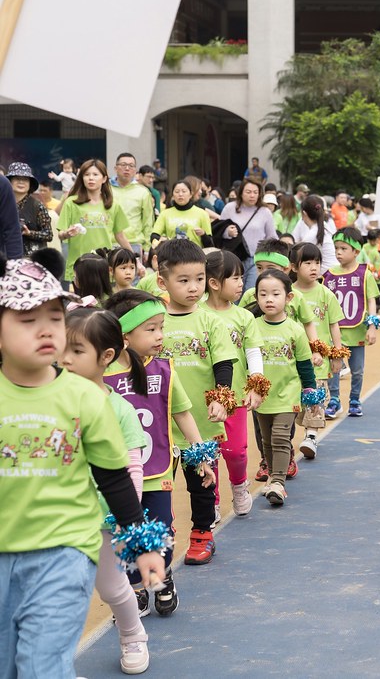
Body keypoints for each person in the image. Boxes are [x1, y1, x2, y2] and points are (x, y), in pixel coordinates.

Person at [0, 254, 165, 679]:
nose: (45, 330)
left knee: (41, 665)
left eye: (54, 318)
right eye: (25, 319)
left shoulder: (86, 397)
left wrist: (141, 542)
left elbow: (113, 474)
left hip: (64, 551)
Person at [104, 288, 211, 618]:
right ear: (124, 335)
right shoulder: (101, 375)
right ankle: (136, 586)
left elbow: (182, 413)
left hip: (159, 467)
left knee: (161, 527)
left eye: (161, 327)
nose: (160, 335)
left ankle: (162, 578)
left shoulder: (164, 370)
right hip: (118, 473)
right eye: (150, 329)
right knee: (127, 531)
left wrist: (200, 454)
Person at [62, 307, 152, 674]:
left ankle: (133, 635)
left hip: (102, 518)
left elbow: (131, 467)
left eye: (76, 351)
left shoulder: (118, 409)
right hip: (58, 516)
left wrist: (124, 520)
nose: (64, 358)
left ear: (106, 357)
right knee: (59, 594)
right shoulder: (49, 398)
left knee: (113, 589)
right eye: (60, 348)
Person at [153, 238, 235, 565]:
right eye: (183, 280)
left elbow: (224, 363)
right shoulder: (154, 317)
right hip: (158, 426)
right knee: (157, 489)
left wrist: (220, 398)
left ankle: (203, 534)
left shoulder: (211, 321)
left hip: (199, 421)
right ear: (162, 282)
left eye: (199, 279)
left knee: (201, 483)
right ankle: (161, 536)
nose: (194, 287)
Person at [201, 250, 265, 523]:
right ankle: (211, 501)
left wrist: (256, 385)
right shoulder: (198, 314)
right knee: (209, 451)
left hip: (235, 396)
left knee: (236, 450)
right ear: (214, 283)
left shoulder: (244, 317)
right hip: (202, 398)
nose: (242, 283)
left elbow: (253, 353)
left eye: (242, 278)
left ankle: (239, 485)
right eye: (236, 278)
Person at [251, 268, 318, 505]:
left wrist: (310, 392)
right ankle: (273, 475)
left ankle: (278, 482)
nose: (269, 299)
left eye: (275, 294)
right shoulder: (252, 326)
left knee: (280, 437)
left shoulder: (295, 329)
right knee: (266, 440)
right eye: (263, 294)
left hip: (288, 394)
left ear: (288, 298)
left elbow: (304, 364)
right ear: (256, 297)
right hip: (261, 397)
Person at [289, 242, 343, 455]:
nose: (314, 267)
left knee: (317, 394)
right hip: (292, 360)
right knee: (295, 396)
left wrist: (337, 354)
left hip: (319, 360)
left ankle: (311, 435)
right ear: (294, 267)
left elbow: (334, 324)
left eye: (317, 262)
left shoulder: (325, 294)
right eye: (308, 262)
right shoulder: (288, 294)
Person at [322, 227, 380, 419]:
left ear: (356, 251)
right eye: (336, 248)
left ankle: (355, 399)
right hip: (335, 330)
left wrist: (372, 326)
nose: (338, 252)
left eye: (343, 248)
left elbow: (371, 299)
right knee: (334, 367)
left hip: (356, 329)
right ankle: (334, 400)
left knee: (357, 370)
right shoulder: (329, 274)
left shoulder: (365, 274)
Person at [55, 159, 138, 284]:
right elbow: (60, 234)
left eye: (95, 175)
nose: (90, 178)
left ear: (104, 179)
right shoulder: (71, 203)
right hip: (79, 265)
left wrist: (134, 261)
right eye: (87, 175)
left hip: (104, 265)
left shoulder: (113, 205)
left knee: (104, 303)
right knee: (82, 303)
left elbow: (120, 236)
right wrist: (67, 233)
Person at [213, 177, 277, 291]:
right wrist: (228, 232)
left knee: (250, 291)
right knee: (233, 292)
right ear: (241, 193)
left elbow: (271, 236)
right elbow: (218, 230)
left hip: (256, 259)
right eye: (248, 192)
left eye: (255, 192)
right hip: (233, 257)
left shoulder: (265, 211)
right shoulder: (229, 208)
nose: (252, 195)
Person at [111, 152, 156, 258]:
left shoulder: (143, 192)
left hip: (134, 244)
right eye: (123, 165)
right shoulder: (105, 190)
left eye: (131, 166)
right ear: (115, 168)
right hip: (109, 244)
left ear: (135, 170)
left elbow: (148, 222)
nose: (127, 168)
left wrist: (147, 249)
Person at [152, 180, 213, 248]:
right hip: (171, 255)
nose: (180, 194)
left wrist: (203, 234)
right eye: (177, 192)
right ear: (173, 195)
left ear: (190, 194)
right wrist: (162, 241)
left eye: (184, 191)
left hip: (195, 256)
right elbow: (154, 236)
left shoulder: (202, 214)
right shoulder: (164, 214)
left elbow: (210, 243)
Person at [7, 162, 51, 255]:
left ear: (30, 184)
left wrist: (29, 233)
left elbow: (48, 234)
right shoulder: (3, 203)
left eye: (25, 179)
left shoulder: (37, 206)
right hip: (7, 257)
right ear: (9, 181)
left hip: (31, 260)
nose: (21, 182)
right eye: (17, 178)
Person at [292, 194, 338, 274]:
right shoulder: (324, 226)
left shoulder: (312, 235)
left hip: (326, 275)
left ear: (304, 213)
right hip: (334, 271)